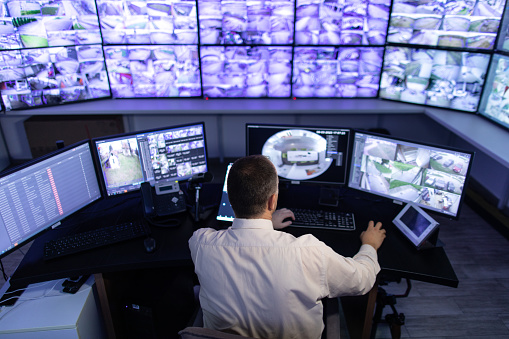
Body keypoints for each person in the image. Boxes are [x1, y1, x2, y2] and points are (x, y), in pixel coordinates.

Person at [189, 155, 386, 339]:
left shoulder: (201, 243)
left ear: (230, 200)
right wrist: (369, 245)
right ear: (273, 200)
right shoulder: (309, 252)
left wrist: (264, 222)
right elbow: (362, 280)